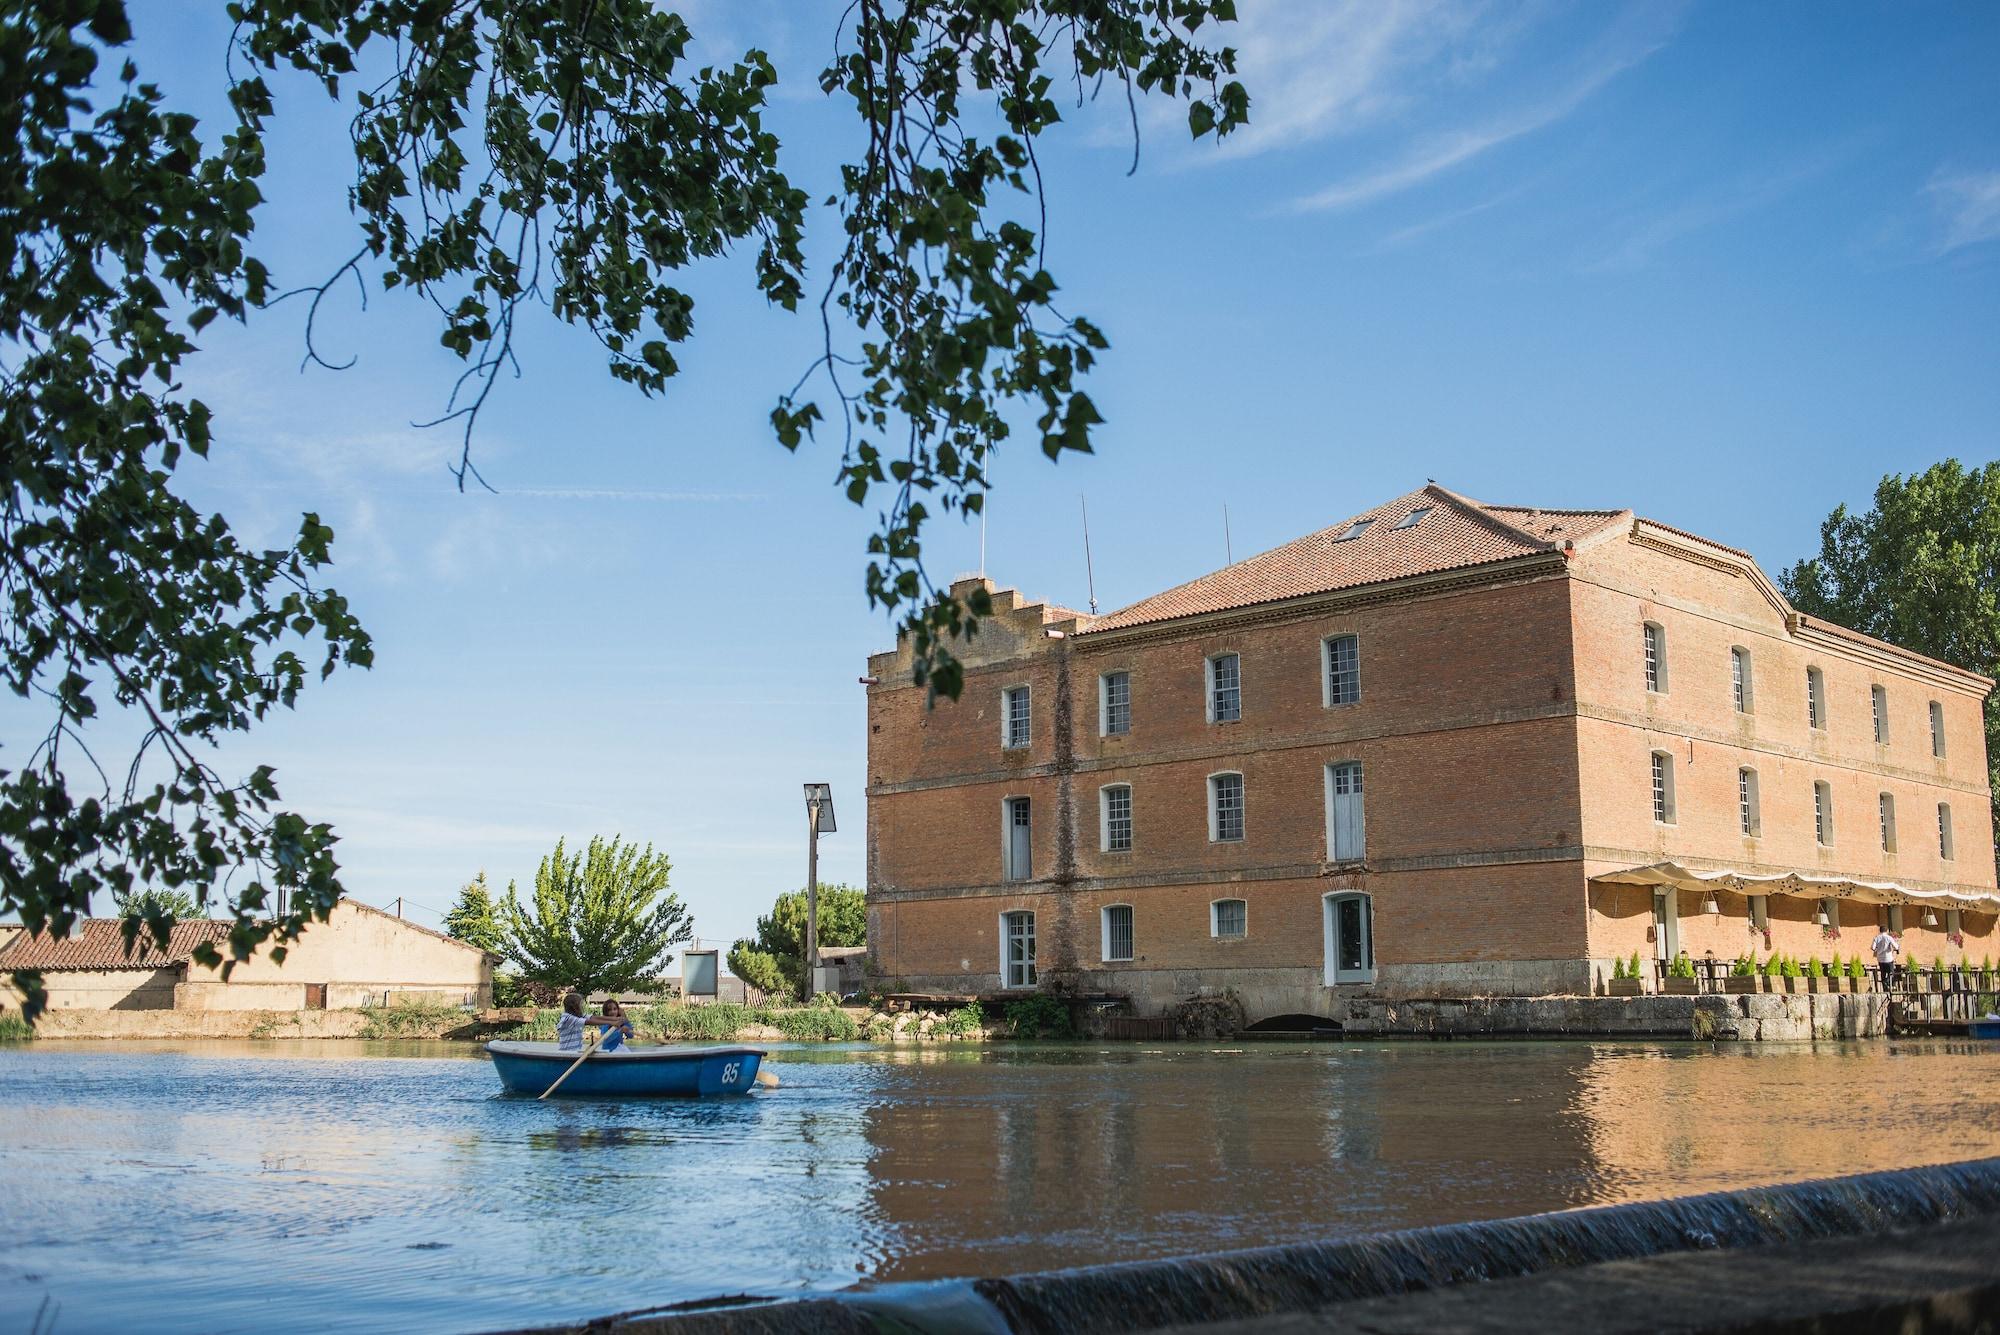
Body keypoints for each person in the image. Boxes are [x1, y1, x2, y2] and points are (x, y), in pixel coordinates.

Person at [555, 992, 626, 1052]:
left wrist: (615, 1019)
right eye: (581, 1004)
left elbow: (595, 1017)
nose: (582, 1006)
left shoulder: (578, 1016)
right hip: (567, 1053)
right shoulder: (568, 1018)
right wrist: (612, 1023)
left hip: (575, 1052)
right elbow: (589, 1022)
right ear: (575, 1006)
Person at [1870, 922, 1902, 991]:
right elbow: (1896, 947)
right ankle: (1886, 983)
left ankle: (1885, 989)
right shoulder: (1889, 938)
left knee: (1883, 974)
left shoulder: (1876, 938)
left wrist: (1878, 950)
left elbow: (1872, 947)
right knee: (1891, 973)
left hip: (1880, 959)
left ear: (1880, 931)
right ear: (1886, 930)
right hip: (1888, 959)